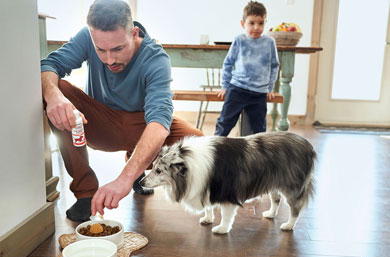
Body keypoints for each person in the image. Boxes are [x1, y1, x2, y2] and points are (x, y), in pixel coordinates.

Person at [41, 0, 202, 222]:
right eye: (101, 50)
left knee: (198, 143)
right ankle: (86, 193)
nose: (110, 59)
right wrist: (54, 97)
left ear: (134, 33)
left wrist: (124, 179)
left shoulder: (156, 59)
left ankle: (137, 170)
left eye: (118, 48)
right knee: (53, 86)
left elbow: (158, 123)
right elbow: (49, 65)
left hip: (140, 124)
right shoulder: (87, 36)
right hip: (98, 122)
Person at [215, 1, 279, 136]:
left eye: (261, 23)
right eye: (252, 23)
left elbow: (274, 65)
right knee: (225, 122)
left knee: (259, 129)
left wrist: (269, 88)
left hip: (259, 93)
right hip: (237, 89)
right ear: (243, 24)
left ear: (265, 23)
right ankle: (216, 149)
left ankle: (260, 156)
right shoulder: (239, 40)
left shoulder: (270, 42)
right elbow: (228, 63)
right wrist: (225, 86)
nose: (256, 27)